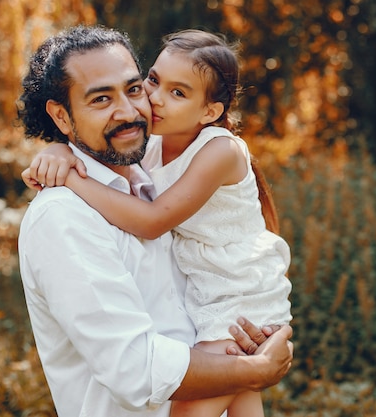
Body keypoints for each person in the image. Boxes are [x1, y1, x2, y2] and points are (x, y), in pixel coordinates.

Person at [16, 25, 293, 417]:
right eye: (100, 99)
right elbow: (137, 371)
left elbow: (159, 229)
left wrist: (67, 160)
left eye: (132, 89)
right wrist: (254, 369)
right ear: (62, 116)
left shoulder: (149, 181)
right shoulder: (63, 216)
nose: (131, 111)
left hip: (235, 326)